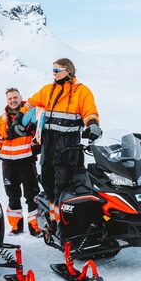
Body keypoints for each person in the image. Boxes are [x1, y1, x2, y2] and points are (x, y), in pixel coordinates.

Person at [23, 58, 101, 202]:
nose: (54, 73)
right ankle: (53, 218)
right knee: (47, 181)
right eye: (53, 70)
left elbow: (90, 112)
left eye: (57, 70)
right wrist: (19, 119)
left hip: (68, 145)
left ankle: (65, 220)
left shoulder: (81, 91)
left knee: (65, 183)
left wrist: (93, 125)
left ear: (68, 70)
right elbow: (30, 104)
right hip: (48, 142)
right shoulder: (47, 90)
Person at [0, 87, 41, 235]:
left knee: (32, 195)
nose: (13, 101)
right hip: (8, 165)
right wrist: (1, 155)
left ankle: (35, 227)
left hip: (26, 162)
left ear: (20, 98)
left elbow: (39, 137)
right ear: (7, 101)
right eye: (10, 98)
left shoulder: (32, 115)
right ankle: (16, 227)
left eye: (15, 98)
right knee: (12, 196)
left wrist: (33, 150)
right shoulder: (0, 120)